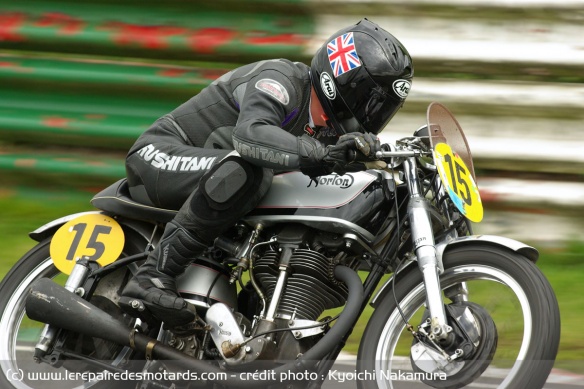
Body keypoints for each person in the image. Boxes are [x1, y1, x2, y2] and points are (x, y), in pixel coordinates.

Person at [121, 18, 414, 328]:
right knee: (249, 171)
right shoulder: (282, 79)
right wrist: (324, 155)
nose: (373, 115)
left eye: (383, 107)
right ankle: (153, 275)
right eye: (370, 100)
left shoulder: (330, 135)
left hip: (209, 178)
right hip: (158, 156)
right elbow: (251, 137)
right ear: (343, 80)